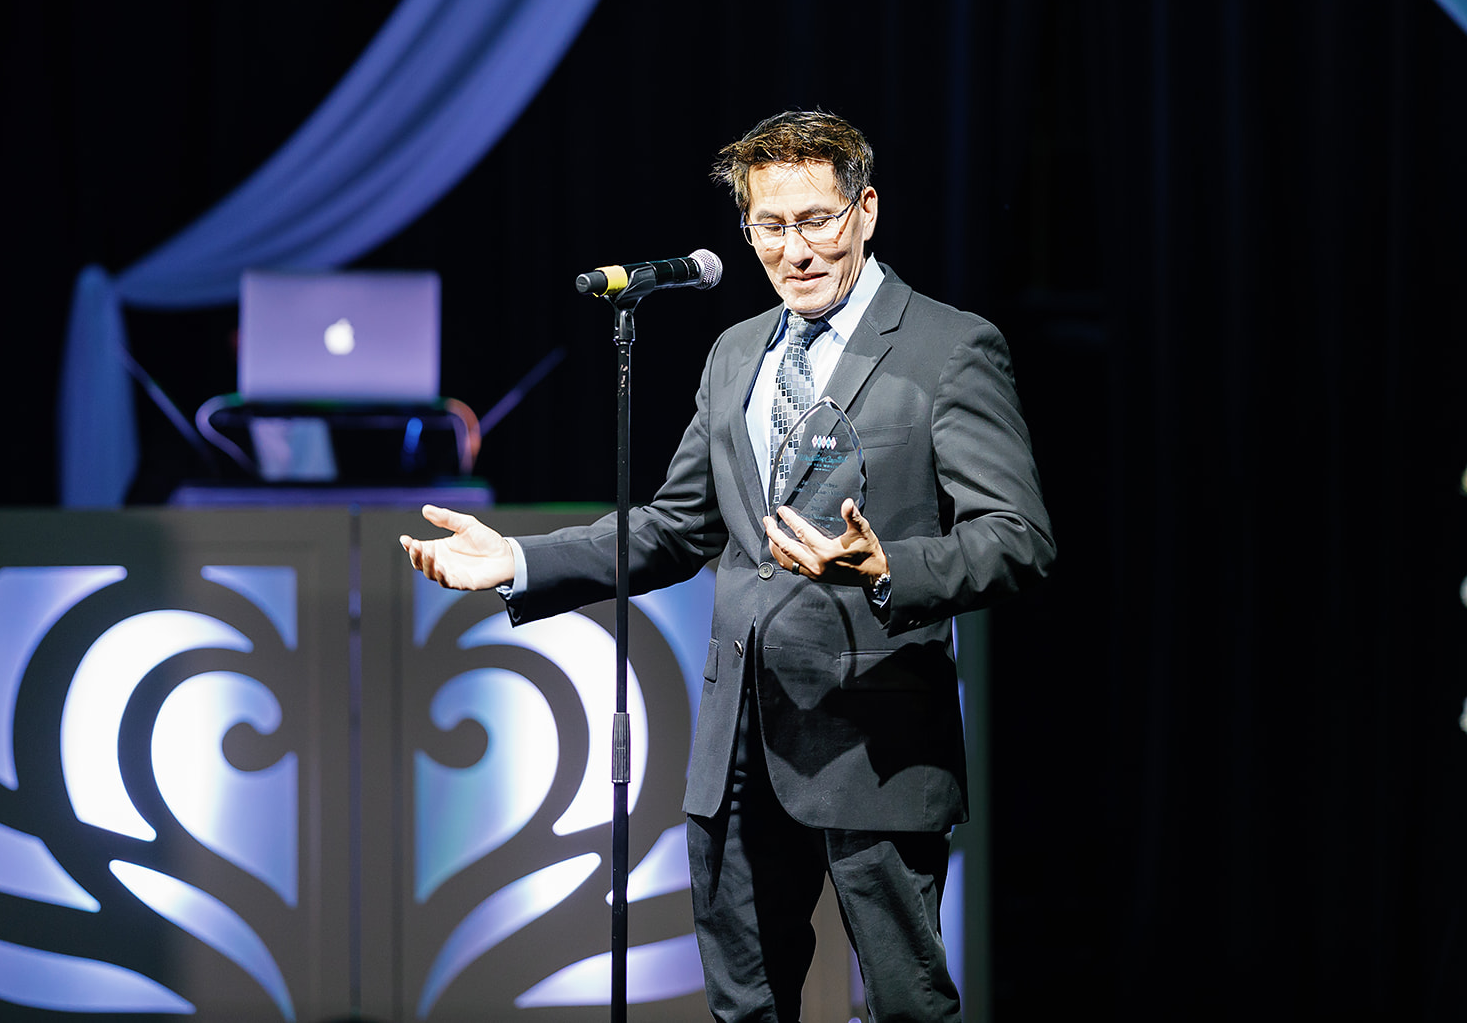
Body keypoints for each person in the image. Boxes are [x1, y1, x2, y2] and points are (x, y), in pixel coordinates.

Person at [401, 110, 1054, 1023]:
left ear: (866, 210)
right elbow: (676, 527)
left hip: (874, 743)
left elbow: (1017, 536)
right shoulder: (737, 352)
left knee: (905, 1007)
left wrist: (886, 565)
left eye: (816, 219)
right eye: (770, 227)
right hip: (736, 746)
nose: (796, 250)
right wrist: (518, 558)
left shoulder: (949, 348)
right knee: (744, 1007)